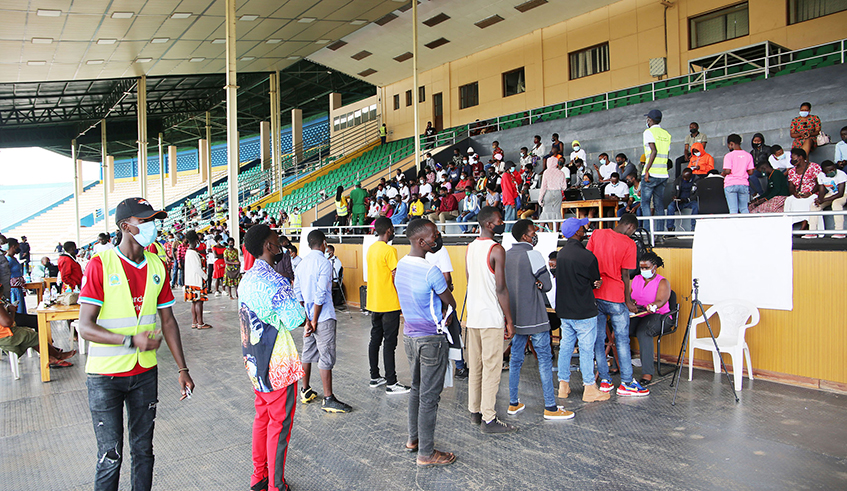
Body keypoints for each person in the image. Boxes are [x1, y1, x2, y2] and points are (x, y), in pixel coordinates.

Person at [77, 197, 194, 491]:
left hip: (144, 374)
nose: (153, 226)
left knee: (143, 451)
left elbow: (167, 320)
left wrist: (183, 368)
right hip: (106, 376)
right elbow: (85, 326)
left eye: (154, 220)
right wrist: (131, 341)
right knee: (110, 456)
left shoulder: (157, 264)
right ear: (125, 226)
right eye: (145, 221)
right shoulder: (100, 265)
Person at [238, 224, 306, 491]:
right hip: (278, 363)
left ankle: (259, 477)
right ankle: (276, 485)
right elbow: (294, 318)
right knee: (279, 425)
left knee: (262, 420)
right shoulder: (275, 280)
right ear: (268, 246)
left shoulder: (247, 279)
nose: (280, 247)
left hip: (254, 360)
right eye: (277, 243)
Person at [394, 219, 457, 466]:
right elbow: (449, 302)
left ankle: (414, 439)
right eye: (434, 235)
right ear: (421, 242)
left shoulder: (401, 265)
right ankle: (426, 454)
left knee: (417, 390)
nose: (437, 238)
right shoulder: (431, 271)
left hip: (409, 336)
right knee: (430, 397)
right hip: (431, 338)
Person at [504, 220, 573, 420]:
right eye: (534, 231)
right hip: (535, 316)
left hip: (515, 317)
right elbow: (548, 286)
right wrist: (537, 284)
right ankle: (551, 407)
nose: (536, 234)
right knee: (544, 359)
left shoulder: (506, 255)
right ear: (526, 236)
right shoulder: (533, 255)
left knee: (516, 360)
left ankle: (513, 403)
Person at [466, 206, 516, 433]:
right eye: (499, 220)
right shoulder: (497, 249)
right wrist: (509, 320)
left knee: (475, 367)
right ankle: (489, 418)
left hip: (473, 317)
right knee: (492, 368)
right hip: (491, 318)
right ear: (489, 224)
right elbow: (501, 289)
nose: (502, 223)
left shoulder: (470, 248)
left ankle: (475, 411)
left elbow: (470, 280)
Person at [587, 213, 649, 396]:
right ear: (630, 227)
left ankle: (605, 381)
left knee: (598, 339)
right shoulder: (629, 243)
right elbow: (625, 275)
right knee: (622, 340)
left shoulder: (597, 234)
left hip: (595, 294)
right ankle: (627, 383)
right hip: (615, 296)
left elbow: (588, 262)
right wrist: (628, 301)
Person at [293, 230, 352, 413]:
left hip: (308, 317)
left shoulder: (301, 264)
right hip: (323, 317)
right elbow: (321, 294)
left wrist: (308, 318)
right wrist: (316, 319)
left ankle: (305, 390)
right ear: (324, 243)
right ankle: (328, 398)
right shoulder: (324, 263)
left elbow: (297, 292)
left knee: (308, 352)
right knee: (325, 355)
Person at [555, 218, 609, 403]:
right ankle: (589, 388)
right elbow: (595, 281)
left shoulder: (560, 254)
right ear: (577, 232)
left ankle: (563, 385)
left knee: (566, 347)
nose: (585, 228)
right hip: (584, 310)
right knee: (586, 350)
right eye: (582, 226)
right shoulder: (587, 256)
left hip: (565, 310)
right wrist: (598, 282)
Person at [366, 218, 410, 394]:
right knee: (390, 343)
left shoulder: (371, 249)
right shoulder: (390, 250)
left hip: (374, 302)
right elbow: (395, 276)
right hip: (389, 303)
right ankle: (392, 383)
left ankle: (374, 376)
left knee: (375, 339)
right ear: (390, 230)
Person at [628, 252, 671, 386]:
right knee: (619, 327)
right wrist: (631, 303)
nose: (643, 270)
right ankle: (618, 365)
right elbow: (631, 296)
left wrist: (654, 305)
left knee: (643, 332)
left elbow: (661, 300)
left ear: (654, 267)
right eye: (642, 267)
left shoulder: (662, 281)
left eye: (646, 267)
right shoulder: (636, 279)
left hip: (659, 315)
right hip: (640, 313)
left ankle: (647, 372)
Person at [1, 293, 75, 366]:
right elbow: (7, 322)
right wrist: (12, 311)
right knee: (34, 336)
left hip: (4, 334)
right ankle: (57, 355)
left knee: (28, 334)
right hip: (5, 335)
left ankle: (50, 357)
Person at [642, 109, 671, 235]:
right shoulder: (666, 134)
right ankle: (659, 233)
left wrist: (647, 170)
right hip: (663, 173)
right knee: (659, 204)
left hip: (651, 173)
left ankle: (648, 232)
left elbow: (654, 151)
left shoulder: (648, 132)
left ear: (650, 120)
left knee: (645, 203)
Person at [810, 160, 846, 238]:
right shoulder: (820, 176)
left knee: (836, 204)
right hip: (831, 194)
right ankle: (812, 232)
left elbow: (840, 194)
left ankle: (840, 231)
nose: (832, 171)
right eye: (829, 170)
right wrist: (819, 200)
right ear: (824, 171)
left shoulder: (841, 174)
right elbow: (822, 191)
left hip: (844, 194)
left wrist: (824, 200)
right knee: (814, 205)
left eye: (833, 169)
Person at [184, 230, 211, 329]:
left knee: (194, 302)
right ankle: (200, 323)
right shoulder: (193, 253)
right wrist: (205, 277)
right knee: (199, 301)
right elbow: (197, 268)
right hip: (197, 281)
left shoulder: (189, 252)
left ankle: (194, 322)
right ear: (196, 241)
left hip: (190, 281)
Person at [722, 134, 755, 214]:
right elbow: (751, 172)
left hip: (731, 184)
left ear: (731, 144)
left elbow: (728, 171)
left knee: (733, 210)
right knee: (744, 209)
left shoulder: (728, 156)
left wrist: (722, 174)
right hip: (743, 184)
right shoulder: (748, 155)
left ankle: (734, 226)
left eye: (729, 145)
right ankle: (747, 226)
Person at [539, 156, 567, 225]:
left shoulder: (546, 172)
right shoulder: (561, 173)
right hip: (558, 193)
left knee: (545, 213)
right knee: (557, 213)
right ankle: (556, 232)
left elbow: (543, 187)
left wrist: (540, 198)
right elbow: (564, 187)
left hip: (548, 193)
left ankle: (541, 232)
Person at [5, 239, 26, 314]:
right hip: (14, 289)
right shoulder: (8, 260)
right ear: (13, 247)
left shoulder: (13, 258)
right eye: (17, 246)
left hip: (18, 288)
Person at [748, 133, 773, 197]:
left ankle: (767, 194)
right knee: (747, 176)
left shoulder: (767, 149)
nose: (756, 143)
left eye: (758, 141)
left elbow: (771, 160)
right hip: (757, 170)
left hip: (766, 169)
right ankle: (758, 193)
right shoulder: (752, 152)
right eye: (755, 141)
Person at [501, 162, 520, 232]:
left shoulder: (510, 175)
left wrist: (515, 172)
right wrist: (511, 201)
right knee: (510, 219)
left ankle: (511, 233)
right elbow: (507, 190)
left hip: (513, 198)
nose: (513, 168)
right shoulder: (505, 176)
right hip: (509, 200)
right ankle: (507, 234)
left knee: (513, 218)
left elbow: (519, 180)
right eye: (512, 167)